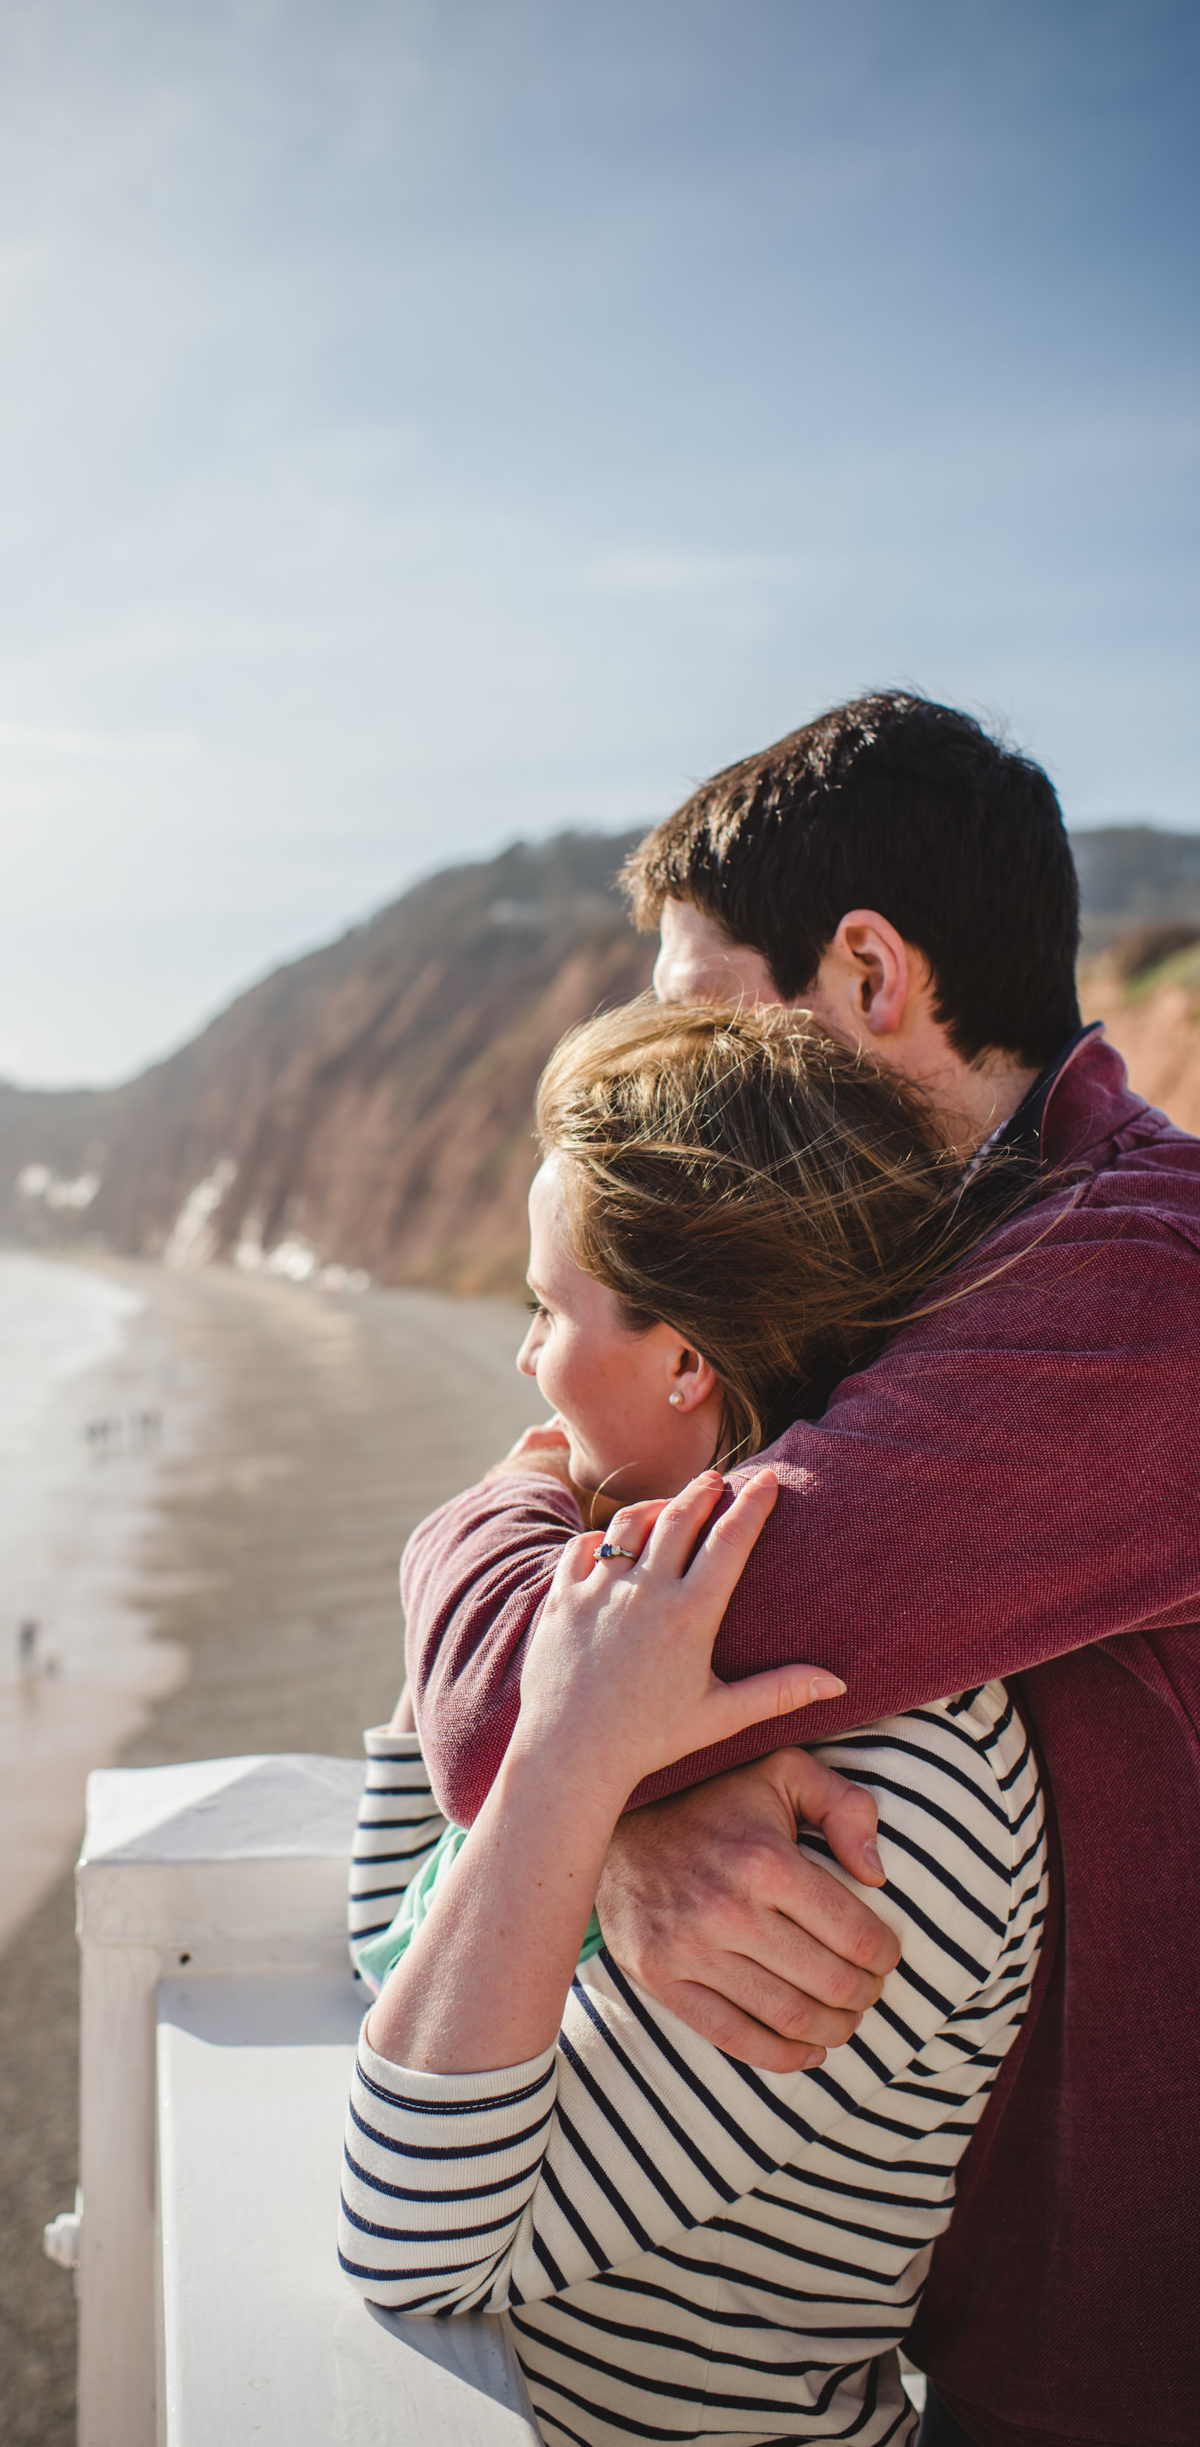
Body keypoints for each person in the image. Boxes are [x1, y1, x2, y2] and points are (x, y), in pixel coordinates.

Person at [402, 694, 1200, 2447]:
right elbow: (585, 1709)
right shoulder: (954, 1267)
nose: (683, 1076)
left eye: (700, 1009)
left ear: (865, 975)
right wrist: (619, 1817)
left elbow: (524, 1707)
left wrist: (586, 1758)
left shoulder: (1136, 1299)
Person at [342, 1000, 1049, 2446]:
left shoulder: (888, 1796)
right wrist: (597, 1793)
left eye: (547, 1308)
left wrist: (573, 1760)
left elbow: (413, 2227)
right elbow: (385, 1925)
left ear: (685, 1364)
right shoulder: (640, 1659)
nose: (524, 1360)